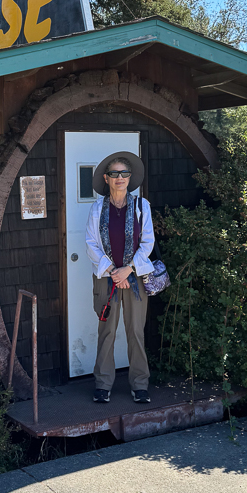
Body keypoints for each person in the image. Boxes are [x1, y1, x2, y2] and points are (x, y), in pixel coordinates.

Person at [85, 151, 155, 404]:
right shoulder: (96, 208)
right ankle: (103, 384)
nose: (119, 178)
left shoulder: (141, 206)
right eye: (114, 174)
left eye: (124, 173)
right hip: (106, 279)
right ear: (106, 178)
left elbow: (147, 243)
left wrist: (128, 270)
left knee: (136, 331)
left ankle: (140, 385)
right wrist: (113, 272)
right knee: (107, 331)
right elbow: (91, 244)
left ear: (130, 177)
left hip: (134, 278)